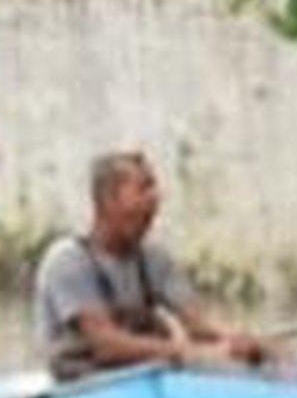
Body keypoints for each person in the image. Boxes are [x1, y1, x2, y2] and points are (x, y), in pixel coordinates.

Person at [33, 151, 264, 381]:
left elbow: (199, 326)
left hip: (141, 376)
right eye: (143, 188)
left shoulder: (154, 257)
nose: (154, 198)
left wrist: (240, 340)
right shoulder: (68, 261)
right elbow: (107, 345)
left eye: (154, 189)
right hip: (84, 383)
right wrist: (192, 352)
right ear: (107, 201)